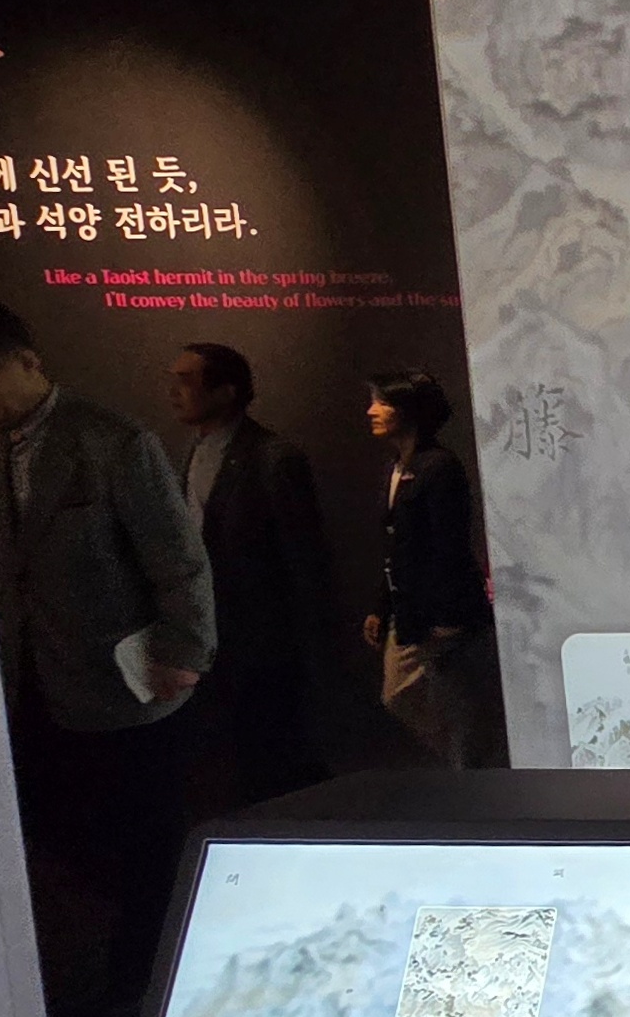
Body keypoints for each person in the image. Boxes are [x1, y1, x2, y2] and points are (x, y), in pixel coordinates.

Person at [0, 299, 214, 1009]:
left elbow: (177, 557)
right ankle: (89, 978)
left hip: (124, 679)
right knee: (63, 837)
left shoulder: (111, 440)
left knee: (142, 841)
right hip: (31, 679)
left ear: (26, 361)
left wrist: (185, 648)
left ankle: (149, 986)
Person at [163, 341, 333, 806]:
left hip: (262, 643)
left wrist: (308, 646)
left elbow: (304, 559)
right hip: (210, 640)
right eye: (173, 379)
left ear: (226, 391)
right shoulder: (189, 453)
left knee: (270, 762)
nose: (174, 391)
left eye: (186, 380)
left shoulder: (274, 457)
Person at [362, 371, 503, 767]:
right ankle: (466, 769)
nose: (371, 411)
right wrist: (382, 607)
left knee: (461, 708)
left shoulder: (439, 467)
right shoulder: (396, 467)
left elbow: (448, 545)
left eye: (382, 402)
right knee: (403, 696)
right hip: (411, 612)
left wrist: (445, 616)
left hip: (444, 617)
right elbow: (395, 548)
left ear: (408, 410)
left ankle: (474, 776)